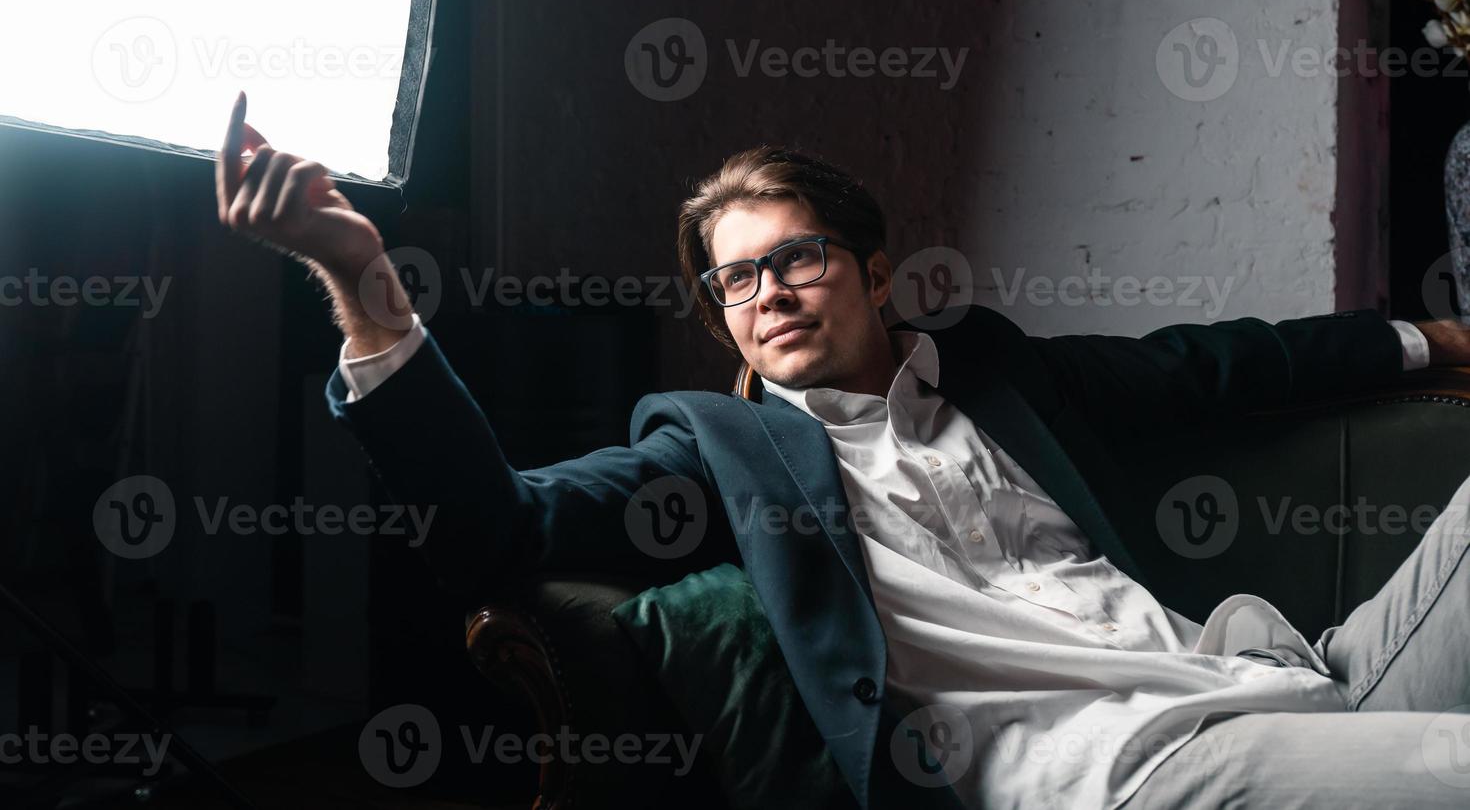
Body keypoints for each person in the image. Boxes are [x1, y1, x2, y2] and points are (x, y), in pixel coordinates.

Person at [214, 91, 1470, 809]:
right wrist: (361, 281)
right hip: (1136, 768)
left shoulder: (999, 368)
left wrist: (1434, 335)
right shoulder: (717, 454)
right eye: (735, 281)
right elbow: (503, 524)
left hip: (1294, 673)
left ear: (875, 270)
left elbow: (1221, 361)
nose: (766, 292)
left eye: (795, 256)